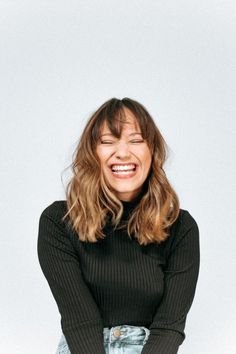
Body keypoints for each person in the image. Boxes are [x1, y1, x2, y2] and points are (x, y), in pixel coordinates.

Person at [37, 97, 200, 354]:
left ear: (152, 151)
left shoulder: (180, 227)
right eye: (108, 141)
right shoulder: (58, 221)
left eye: (136, 140)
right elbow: (80, 322)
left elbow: (169, 327)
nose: (123, 152)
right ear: (92, 153)